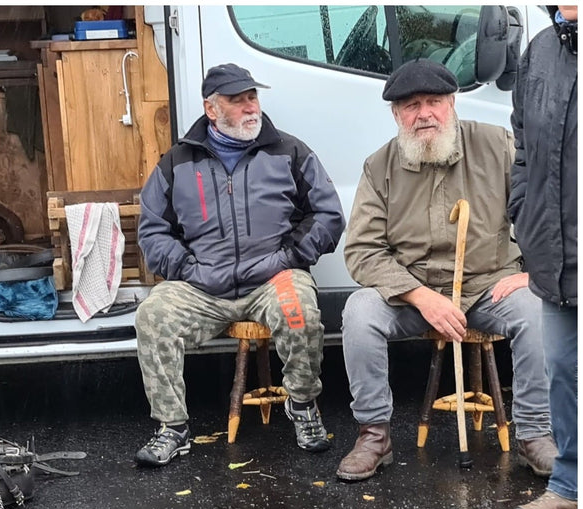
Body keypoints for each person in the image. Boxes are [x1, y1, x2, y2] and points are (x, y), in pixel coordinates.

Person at [337, 59, 557, 482]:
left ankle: (534, 434)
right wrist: (420, 296)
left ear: (452, 102)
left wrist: (535, 272)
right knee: (359, 311)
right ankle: (373, 434)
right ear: (396, 115)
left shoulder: (497, 145)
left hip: (489, 285)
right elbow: (362, 250)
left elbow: (546, 212)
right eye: (412, 105)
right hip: (412, 293)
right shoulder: (379, 166)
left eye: (434, 102)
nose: (424, 114)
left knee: (535, 308)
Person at [133, 63, 346, 466]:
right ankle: (172, 428)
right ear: (211, 110)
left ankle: (302, 405)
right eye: (238, 100)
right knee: (153, 314)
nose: (251, 107)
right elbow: (153, 229)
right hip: (202, 285)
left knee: (298, 309)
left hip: (272, 278)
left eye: (253, 97)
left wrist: (288, 258)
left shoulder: (288, 150)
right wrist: (187, 269)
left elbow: (328, 215)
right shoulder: (177, 161)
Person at [508, 5, 577, 509]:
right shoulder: (542, 51)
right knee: (565, 375)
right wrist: (522, 212)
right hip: (555, 255)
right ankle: (570, 485)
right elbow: (525, 148)